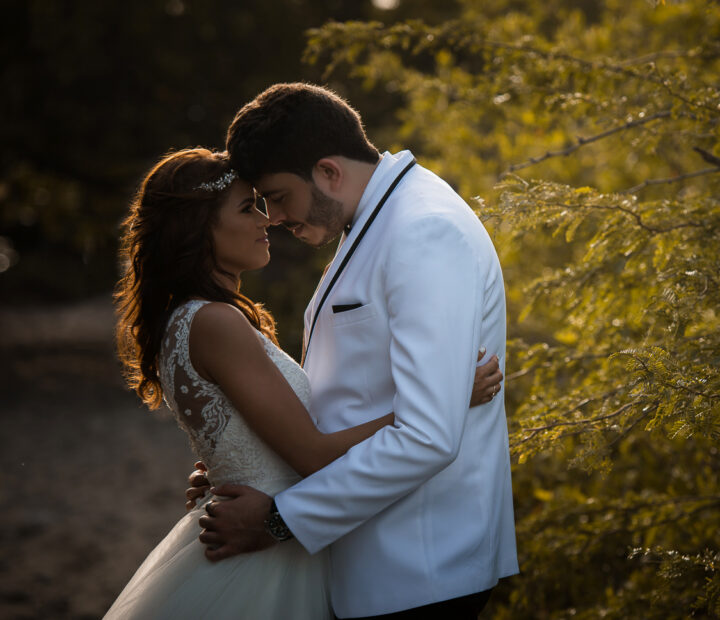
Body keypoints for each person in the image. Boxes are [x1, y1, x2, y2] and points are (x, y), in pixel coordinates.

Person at [106, 148, 502, 619]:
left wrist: (226, 471)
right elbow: (312, 454)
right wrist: (448, 399)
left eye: (265, 202)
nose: (266, 219)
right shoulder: (215, 322)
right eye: (247, 207)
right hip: (262, 556)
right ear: (198, 229)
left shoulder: (195, 319)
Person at [196, 82, 519, 619]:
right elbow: (351, 387)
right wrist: (250, 462)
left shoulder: (424, 229)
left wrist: (279, 517)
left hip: (418, 567)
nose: (272, 216)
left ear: (328, 172)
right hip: (379, 558)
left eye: (277, 196)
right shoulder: (376, 217)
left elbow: (427, 436)